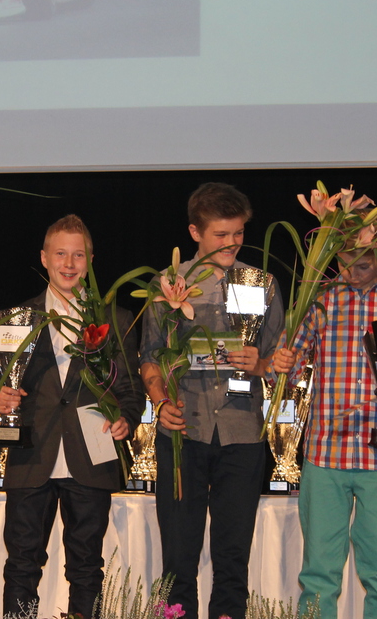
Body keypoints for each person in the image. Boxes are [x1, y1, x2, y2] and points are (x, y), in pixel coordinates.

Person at [272, 227, 377, 619]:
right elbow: (288, 370)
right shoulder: (320, 301)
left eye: (363, 264)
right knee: (319, 575)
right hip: (326, 454)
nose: (352, 273)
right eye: (344, 263)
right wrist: (282, 361)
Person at [140, 182, 283, 619]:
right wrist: (161, 402)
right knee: (178, 557)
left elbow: (279, 361)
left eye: (238, 233)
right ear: (195, 232)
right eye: (221, 235)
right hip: (184, 432)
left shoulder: (262, 283)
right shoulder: (169, 284)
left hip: (242, 434)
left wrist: (261, 363)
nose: (231, 243)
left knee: (233, 559)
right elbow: (149, 358)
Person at [0, 214, 142, 619]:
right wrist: (0, 396)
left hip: (92, 451)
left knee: (86, 567)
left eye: (78, 255)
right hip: (31, 455)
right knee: (22, 566)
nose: (69, 263)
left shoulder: (115, 320)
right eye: (60, 254)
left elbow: (131, 390)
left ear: (90, 261)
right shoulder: (16, 318)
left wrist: (127, 418)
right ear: (44, 258)